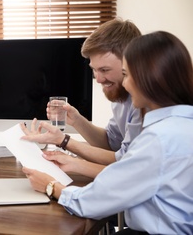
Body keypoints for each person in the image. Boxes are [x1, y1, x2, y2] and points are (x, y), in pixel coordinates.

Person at [22, 31, 193, 234]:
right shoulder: (180, 125)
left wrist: (51, 186)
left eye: (126, 74)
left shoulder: (159, 138)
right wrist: (72, 133)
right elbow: (112, 145)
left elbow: (95, 199)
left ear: (149, 78)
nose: (126, 84)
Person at [40, 18, 143, 178]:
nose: (99, 79)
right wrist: (77, 120)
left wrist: (65, 142)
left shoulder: (145, 101)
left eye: (104, 70)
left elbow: (126, 161)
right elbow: (111, 143)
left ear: (130, 62)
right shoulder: (120, 96)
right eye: (94, 70)